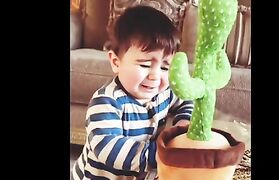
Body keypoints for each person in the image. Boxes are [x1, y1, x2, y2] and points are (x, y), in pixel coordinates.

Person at [71, 5, 193, 180]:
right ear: (116, 62)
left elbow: (186, 99)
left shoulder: (164, 92)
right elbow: (108, 149)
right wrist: (164, 155)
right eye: (144, 64)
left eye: (165, 67)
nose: (155, 76)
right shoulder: (106, 102)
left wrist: (182, 123)